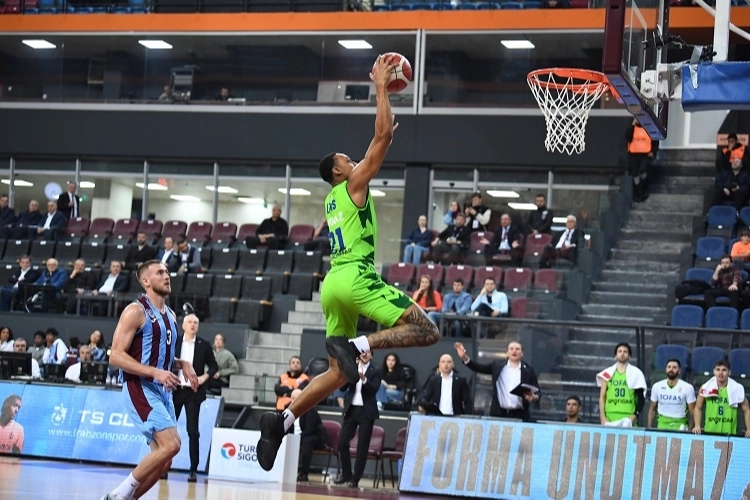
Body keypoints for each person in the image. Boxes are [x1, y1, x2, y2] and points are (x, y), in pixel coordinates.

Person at [255, 54, 440, 473]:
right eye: (347, 160)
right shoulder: (353, 184)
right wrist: (381, 87)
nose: (355, 162)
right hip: (356, 277)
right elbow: (382, 138)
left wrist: (382, 130)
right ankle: (359, 345)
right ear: (339, 172)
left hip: (333, 284)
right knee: (427, 330)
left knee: (339, 373)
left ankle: (282, 420)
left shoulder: (332, 199)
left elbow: (379, 140)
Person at [100, 260, 198, 500]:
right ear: (146, 281)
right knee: (171, 445)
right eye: (160, 272)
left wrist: (182, 363)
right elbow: (116, 355)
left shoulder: (171, 315)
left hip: (163, 391)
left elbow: (161, 358)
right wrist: (155, 372)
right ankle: (117, 495)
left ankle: (128, 498)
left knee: (165, 460)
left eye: (167, 272)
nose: (167, 276)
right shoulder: (135, 311)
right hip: (139, 386)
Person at [173, 314, 218, 482]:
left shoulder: (203, 344)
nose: (193, 325)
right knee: (169, 430)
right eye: (190, 322)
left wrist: (204, 378)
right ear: (183, 325)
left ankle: (193, 469)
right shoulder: (175, 342)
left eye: (196, 323)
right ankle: (163, 466)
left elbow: (214, 366)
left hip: (193, 392)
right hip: (175, 390)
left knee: (193, 431)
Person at [454, 341, 539, 421]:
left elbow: (537, 391)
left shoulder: (528, 370)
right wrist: (464, 357)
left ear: (522, 353)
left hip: (519, 414)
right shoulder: (497, 366)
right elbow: (479, 368)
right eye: (511, 349)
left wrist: (534, 397)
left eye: (517, 349)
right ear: (507, 353)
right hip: (498, 413)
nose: (514, 351)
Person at [334, 351, 381, 488]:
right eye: (362, 352)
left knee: (362, 446)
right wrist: (349, 373)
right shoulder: (353, 367)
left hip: (366, 411)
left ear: (372, 355)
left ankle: (355, 479)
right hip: (351, 409)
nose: (364, 354)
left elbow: (373, 390)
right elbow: (343, 388)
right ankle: (346, 474)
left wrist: (363, 379)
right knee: (342, 442)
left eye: (368, 352)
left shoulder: (376, 370)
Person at [693, 359, 750, 436]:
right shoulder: (705, 388)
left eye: (724, 370)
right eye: (718, 369)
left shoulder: (737, 388)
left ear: (729, 372)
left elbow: (747, 410)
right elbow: (698, 408)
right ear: (714, 371)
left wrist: (749, 429)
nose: (720, 373)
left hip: (730, 434)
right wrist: (697, 426)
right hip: (710, 432)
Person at [596, 342, 647, 427]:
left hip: (628, 416)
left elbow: (641, 398)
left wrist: (634, 416)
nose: (622, 354)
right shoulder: (607, 373)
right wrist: (603, 417)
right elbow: (602, 397)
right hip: (610, 416)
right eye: (619, 351)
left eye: (625, 351)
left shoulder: (636, 373)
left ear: (629, 356)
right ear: (615, 355)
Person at [286, 389, 328, 482]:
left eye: (296, 398)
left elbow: (309, 430)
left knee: (307, 441)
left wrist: (296, 439)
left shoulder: (309, 409)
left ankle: (304, 473)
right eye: (293, 398)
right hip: (298, 437)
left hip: (315, 437)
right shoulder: (287, 410)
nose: (294, 401)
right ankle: (285, 471)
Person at [648, 359, 696, 430]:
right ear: (665, 370)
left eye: (674, 367)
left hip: (680, 426)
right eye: (669, 367)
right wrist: (649, 428)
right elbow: (652, 409)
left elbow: (693, 412)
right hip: (661, 426)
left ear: (679, 371)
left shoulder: (688, 387)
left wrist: (690, 430)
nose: (671, 369)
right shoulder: (657, 386)